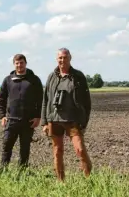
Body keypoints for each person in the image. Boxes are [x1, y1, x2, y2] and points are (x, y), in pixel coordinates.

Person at [40, 48, 92, 181]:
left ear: (70, 58)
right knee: (57, 152)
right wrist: (44, 122)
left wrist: (84, 122)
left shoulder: (78, 76)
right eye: (60, 58)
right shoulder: (52, 77)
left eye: (65, 57)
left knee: (80, 150)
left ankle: (89, 180)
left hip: (73, 120)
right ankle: (60, 181)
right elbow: (46, 100)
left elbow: (87, 102)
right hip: (54, 119)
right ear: (57, 59)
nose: (62, 60)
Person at [0, 54, 43, 168]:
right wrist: (2, 116)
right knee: (6, 146)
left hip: (28, 121)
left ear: (25, 63)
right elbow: (2, 98)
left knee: (25, 148)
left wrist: (38, 117)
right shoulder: (8, 80)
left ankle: (22, 172)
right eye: (17, 63)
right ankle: (3, 171)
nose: (19, 65)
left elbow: (40, 99)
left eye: (21, 62)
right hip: (11, 120)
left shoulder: (34, 80)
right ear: (14, 64)